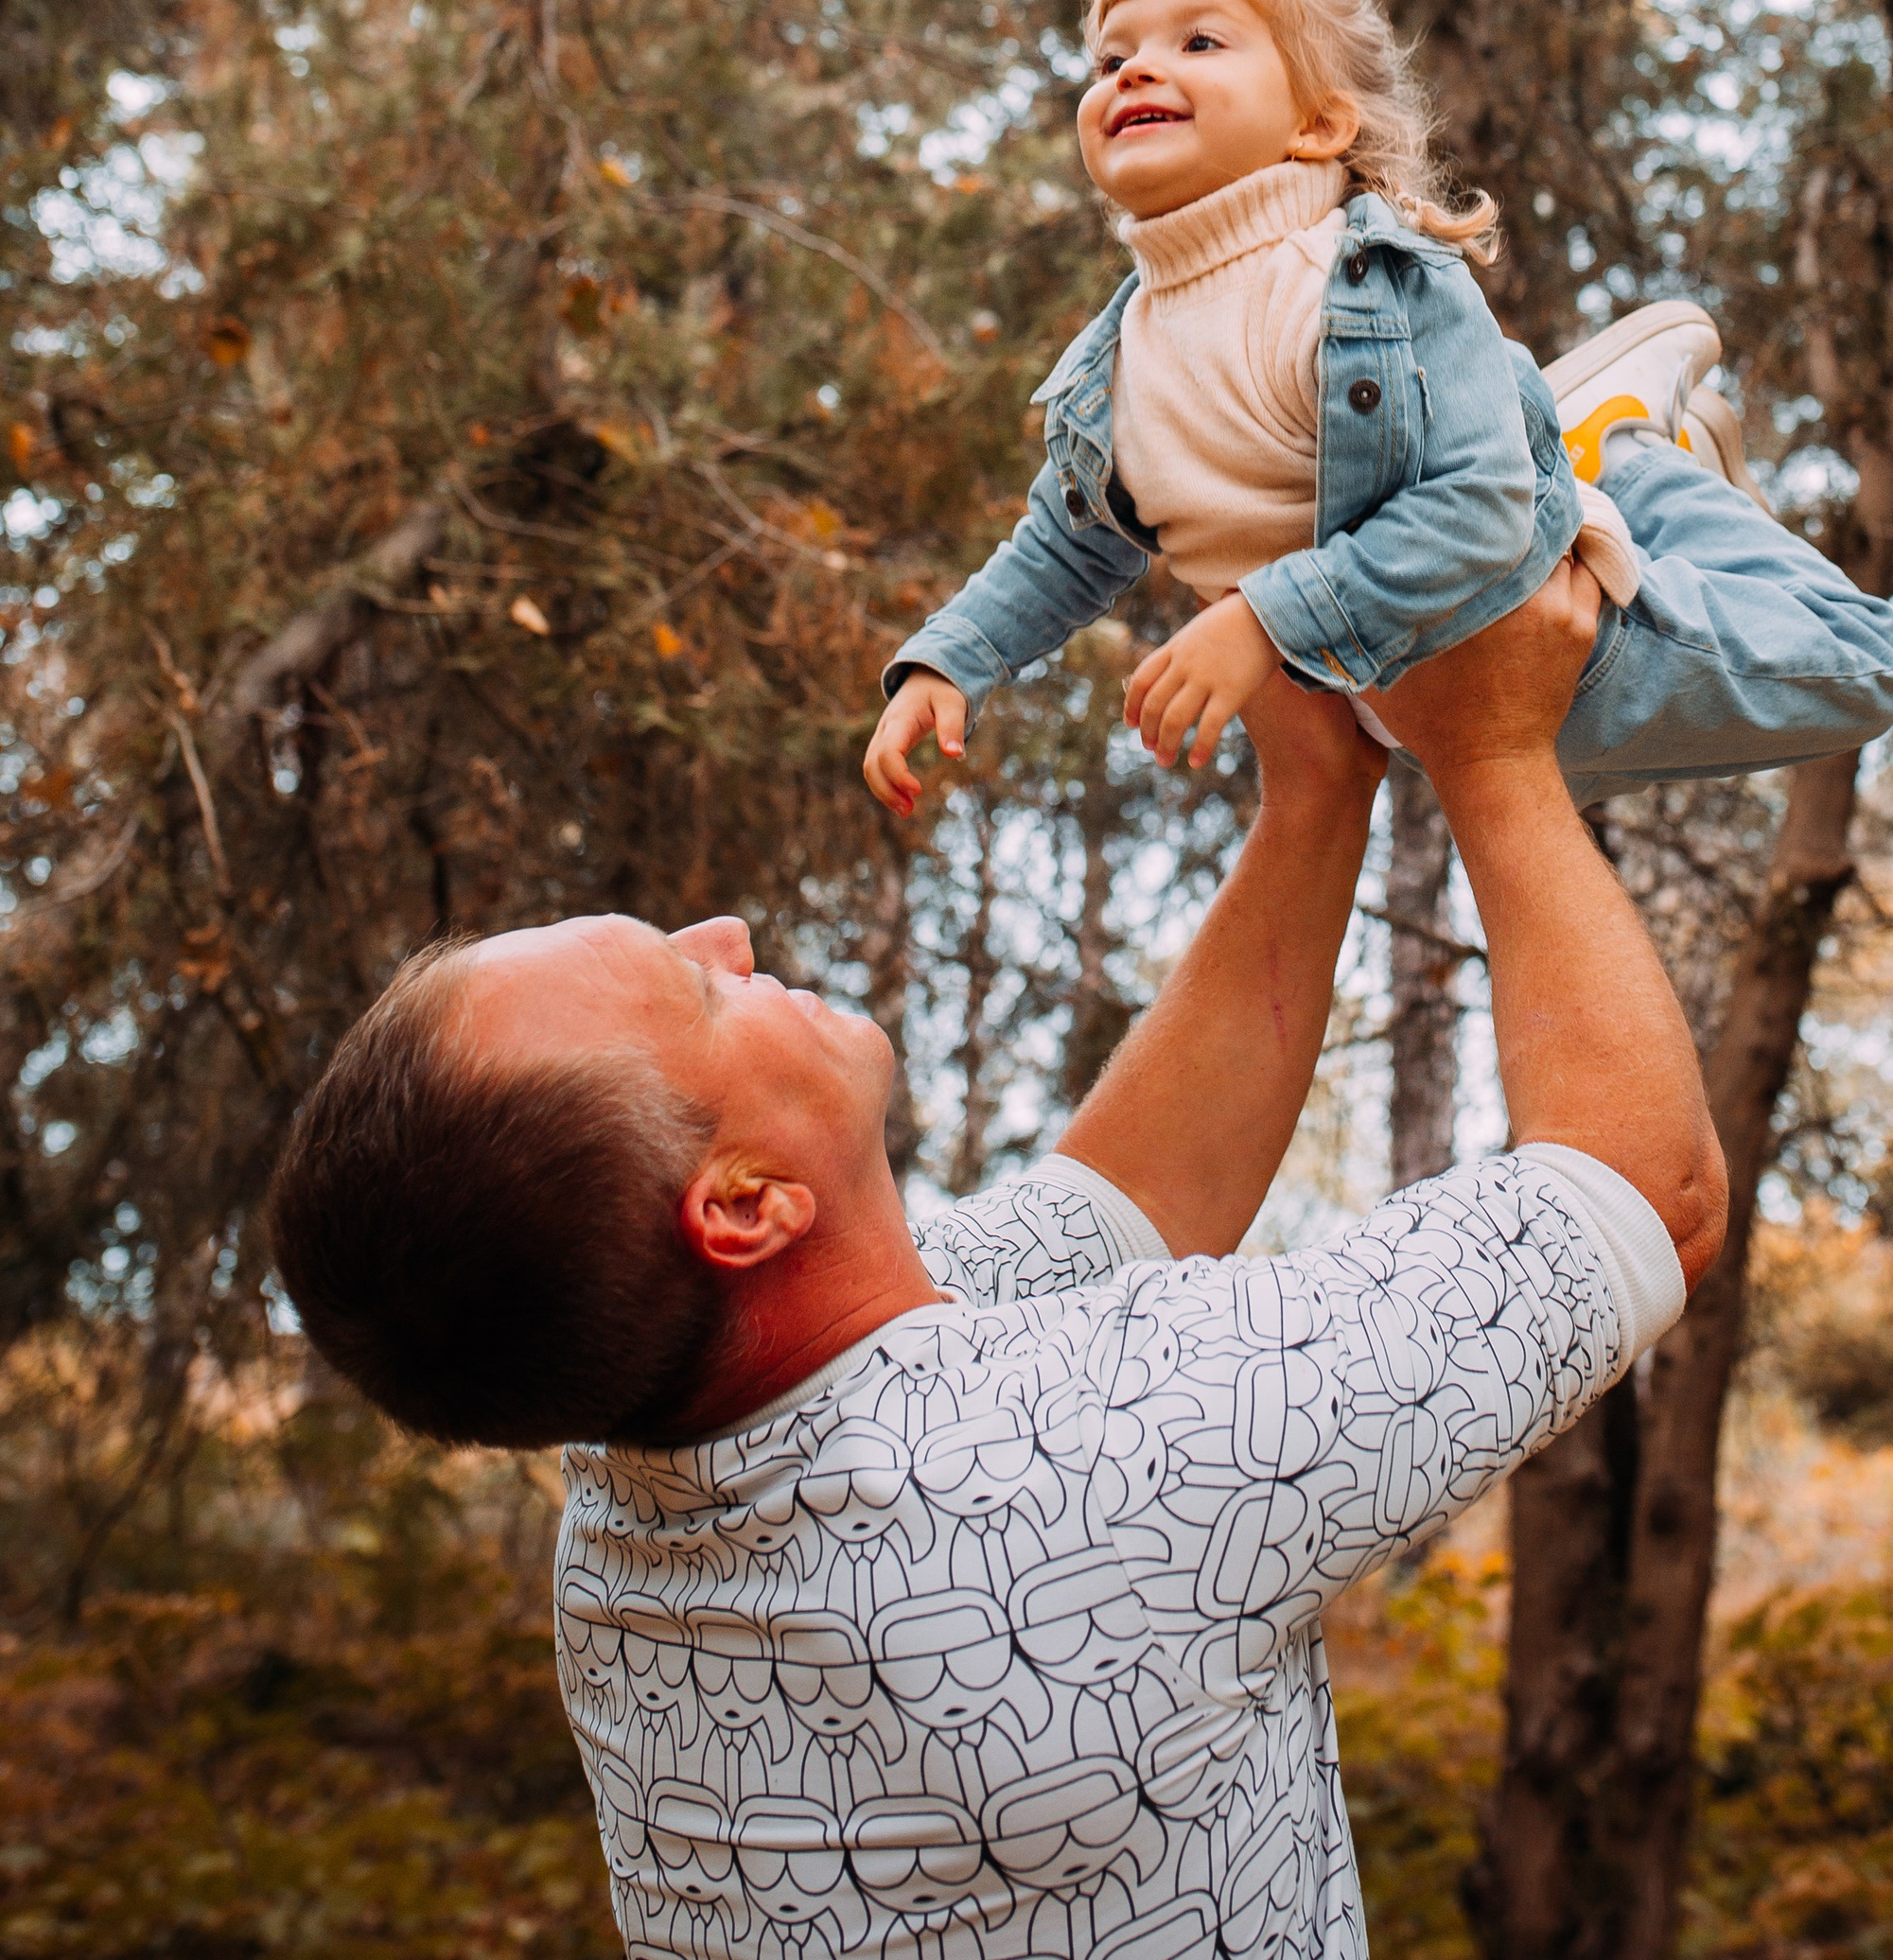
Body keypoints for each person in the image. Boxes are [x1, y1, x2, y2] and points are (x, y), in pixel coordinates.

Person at [269, 569, 1726, 1960]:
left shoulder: (639, 1487)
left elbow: (1133, 1200)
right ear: (748, 1206)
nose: (726, 933)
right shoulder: (1096, 1466)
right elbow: (1648, 1195)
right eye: (690, 987)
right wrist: (1492, 746)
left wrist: (1316, 786)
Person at [865, 0, 1893, 824]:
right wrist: (953, 657)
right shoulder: (1116, 361)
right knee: (1565, 793)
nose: (1136, 66)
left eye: (1199, 41)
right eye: (1111, 56)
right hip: (1401, 693)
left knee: (1863, 666)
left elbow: (1476, 507)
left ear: (1320, 123)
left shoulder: (1373, 279)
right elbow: (1065, 545)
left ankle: (1629, 456)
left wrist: (1265, 619)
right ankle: (1596, 454)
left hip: (1572, 639)